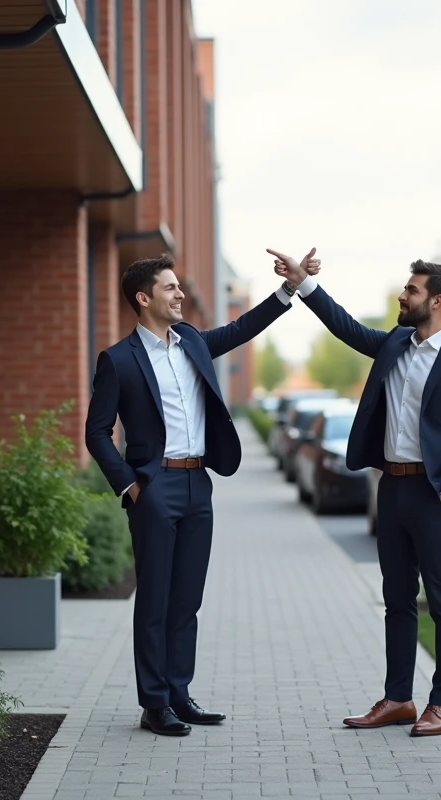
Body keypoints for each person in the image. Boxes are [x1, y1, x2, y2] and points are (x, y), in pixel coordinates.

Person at [85, 252, 318, 737]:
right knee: (154, 598)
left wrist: (288, 291)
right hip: (154, 486)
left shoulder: (191, 341)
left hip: (198, 484)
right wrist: (129, 485)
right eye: (170, 288)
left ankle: (178, 693)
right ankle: (154, 704)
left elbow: (239, 330)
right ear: (143, 298)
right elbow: (96, 432)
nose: (180, 295)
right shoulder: (119, 360)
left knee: (187, 599)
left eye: (179, 287)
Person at [268, 248, 441, 737]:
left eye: (411, 289)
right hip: (390, 489)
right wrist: (302, 284)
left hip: (435, 496)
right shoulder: (395, 342)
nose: (402, 294)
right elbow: (346, 327)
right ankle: (398, 699)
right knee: (396, 599)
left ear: (436, 301)